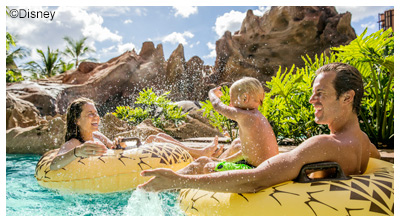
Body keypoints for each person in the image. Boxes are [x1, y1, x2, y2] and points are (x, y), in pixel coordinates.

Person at [138, 63, 381, 193]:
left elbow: (255, 180)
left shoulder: (325, 144)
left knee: (203, 166)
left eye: (320, 94)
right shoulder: (366, 146)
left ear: (347, 97)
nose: (311, 100)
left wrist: (179, 181)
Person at [141, 76, 279, 179]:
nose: (230, 104)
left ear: (244, 98)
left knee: (202, 163)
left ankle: (169, 182)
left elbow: (218, 106)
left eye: (232, 99)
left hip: (255, 172)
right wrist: (222, 161)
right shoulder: (258, 117)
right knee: (236, 144)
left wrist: (212, 94)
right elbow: (248, 151)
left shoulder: (244, 115)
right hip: (266, 168)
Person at [49, 97, 126, 170]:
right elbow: (54, 165)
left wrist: (118, 144)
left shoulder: (97, 135)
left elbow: (112, 147)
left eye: (96, 113)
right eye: (90, 114)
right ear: (77, 121)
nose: (96, 116)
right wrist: (78, 151)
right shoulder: (74, 143)